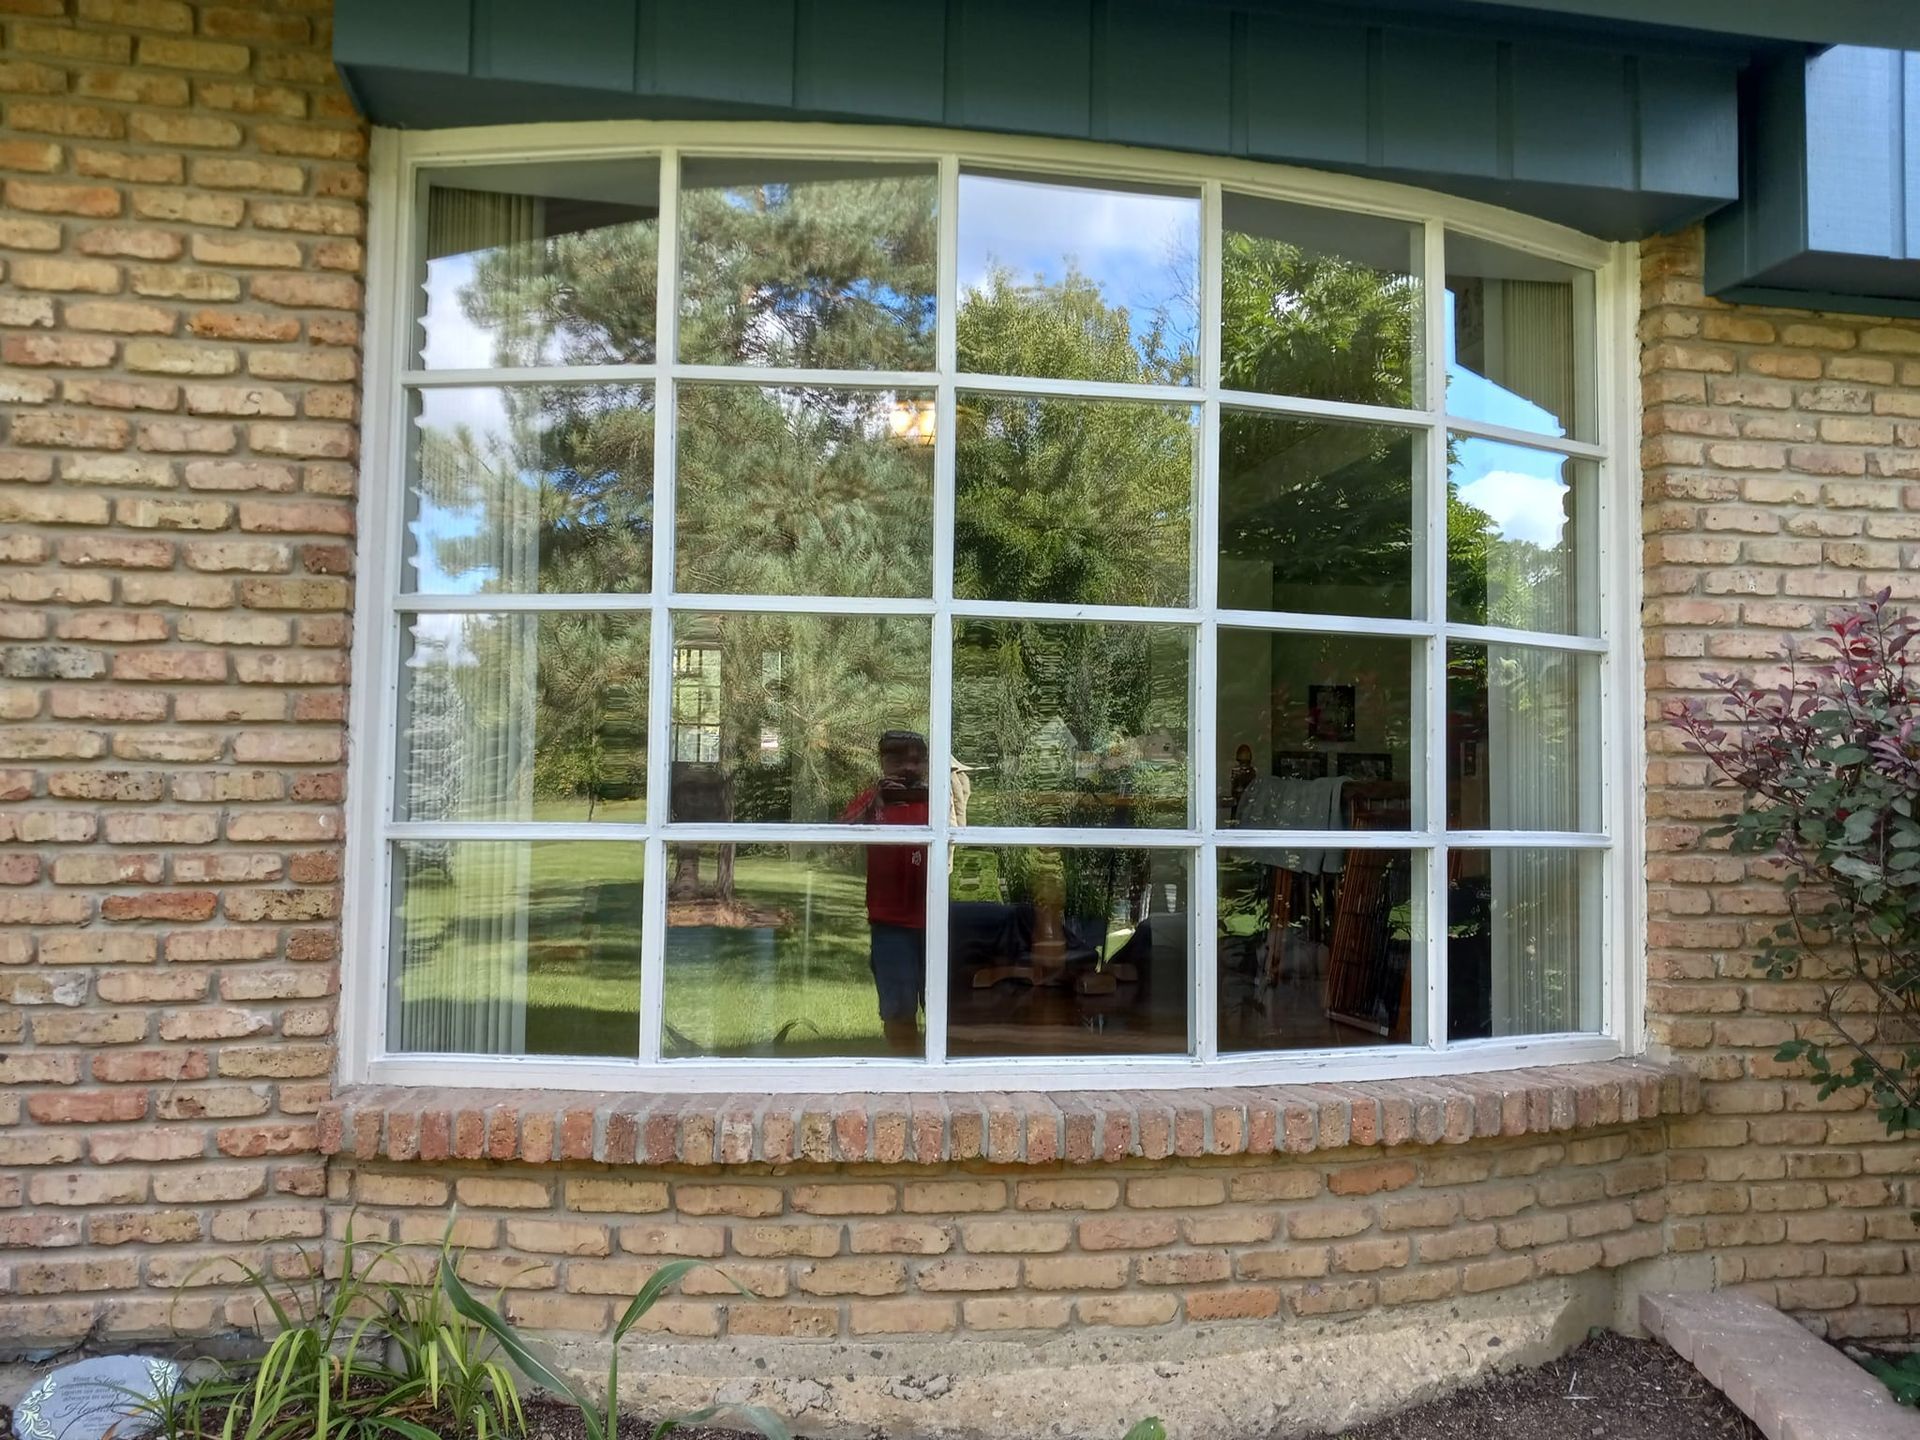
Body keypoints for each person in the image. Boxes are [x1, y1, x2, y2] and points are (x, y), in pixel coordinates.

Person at [839, 731, 929, 1053]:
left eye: (916, 759)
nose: (907, 767)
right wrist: (873, 801)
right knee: (898, 1007)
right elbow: (838, 839)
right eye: (896, 760)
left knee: (943, 1004)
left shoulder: (935, 801)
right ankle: (906, 1067)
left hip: (934, 920)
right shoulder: (871, 799)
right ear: (881, 763)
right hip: (889, 922)